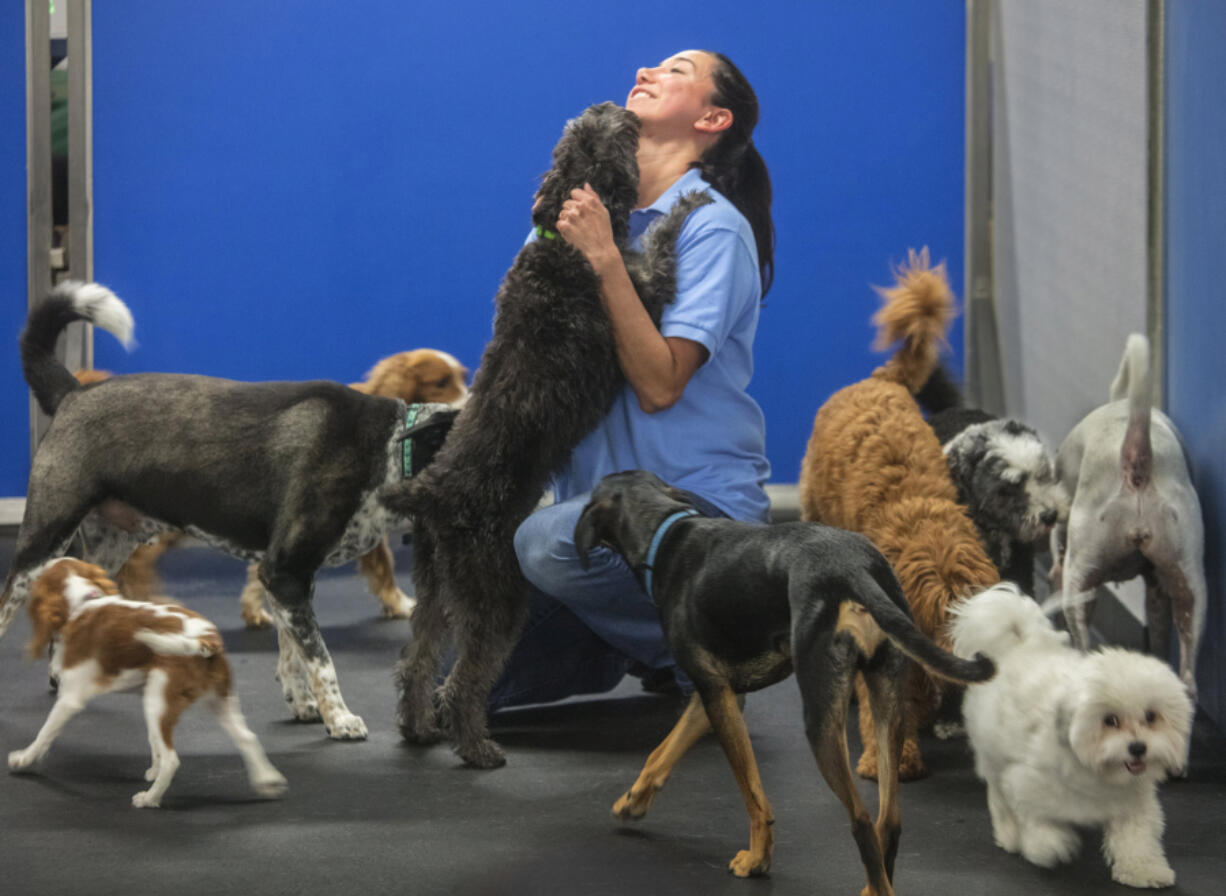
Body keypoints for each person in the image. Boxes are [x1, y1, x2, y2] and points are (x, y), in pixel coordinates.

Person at [492, 49, 774, 708]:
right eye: (650, 66)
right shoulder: (576, 215)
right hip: (600, 534)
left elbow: (660, 383)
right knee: (463, 684)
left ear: (713, 117)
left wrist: (603, 258)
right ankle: (642, 646)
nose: (647, 72)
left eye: (675, 70)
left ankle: (710, 639)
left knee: (540, 543)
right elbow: (527, 360)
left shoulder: (712, 229)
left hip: (702, 524)